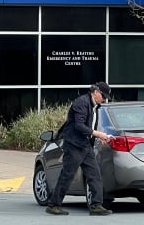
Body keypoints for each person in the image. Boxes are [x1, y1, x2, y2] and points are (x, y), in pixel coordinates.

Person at [45, 82, 113, 216]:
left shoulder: (95, 106)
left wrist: (100, 138)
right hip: (74, 145)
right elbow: (79, 126)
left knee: (95, 175)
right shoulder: (81, 103)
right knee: (67, 175)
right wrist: (98, 134)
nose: (104, 99)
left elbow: (88, 126)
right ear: (96, 92)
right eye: (103, 96)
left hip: (85, 145)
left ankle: (96, 206)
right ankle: (53, 205)